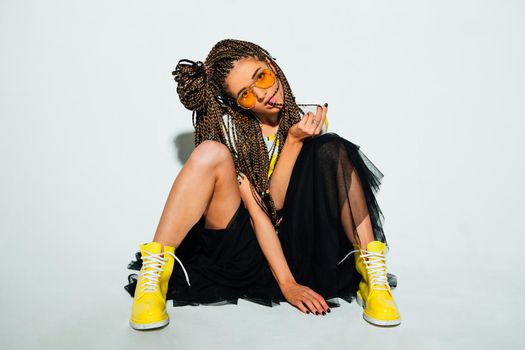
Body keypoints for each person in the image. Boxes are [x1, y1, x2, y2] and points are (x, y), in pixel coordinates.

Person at [124, 39, 401, 330]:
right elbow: (267, 211)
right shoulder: (232, 133)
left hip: (294, 249)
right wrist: (287, 284)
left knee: (333, 148)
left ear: (271, 65)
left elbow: (291, 210)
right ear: (236, 103)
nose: (262, 94)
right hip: (243, 248)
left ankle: (374, 279)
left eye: (262, 77)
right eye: (245, 94)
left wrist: (296, 139)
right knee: (210, 152)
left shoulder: (302, 122)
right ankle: (152, 281)